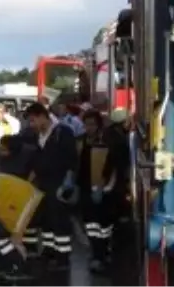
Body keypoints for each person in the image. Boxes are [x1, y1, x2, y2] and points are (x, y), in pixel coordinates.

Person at [23, 101, 78, 269]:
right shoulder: (37, 136)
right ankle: (49, 251)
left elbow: (72, 159)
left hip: (58, 182)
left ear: (42, 117)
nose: (31, 125)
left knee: (59, 220)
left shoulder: (63, 132)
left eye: (33, 120)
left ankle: (63, 257)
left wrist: (68, 181)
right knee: (46, 219)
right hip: (42, 183)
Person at [77, 109, 129, 272]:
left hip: (105, 191)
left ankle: (103, 255)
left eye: (92, 124)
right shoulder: (80, 141)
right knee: (91, 225)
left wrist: (104, 187)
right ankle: (97, 254)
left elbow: (115, 167)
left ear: (99, 125)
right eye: (86, 124)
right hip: (86, 188)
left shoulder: (108, 141)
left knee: (104, 226)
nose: (88, 128)